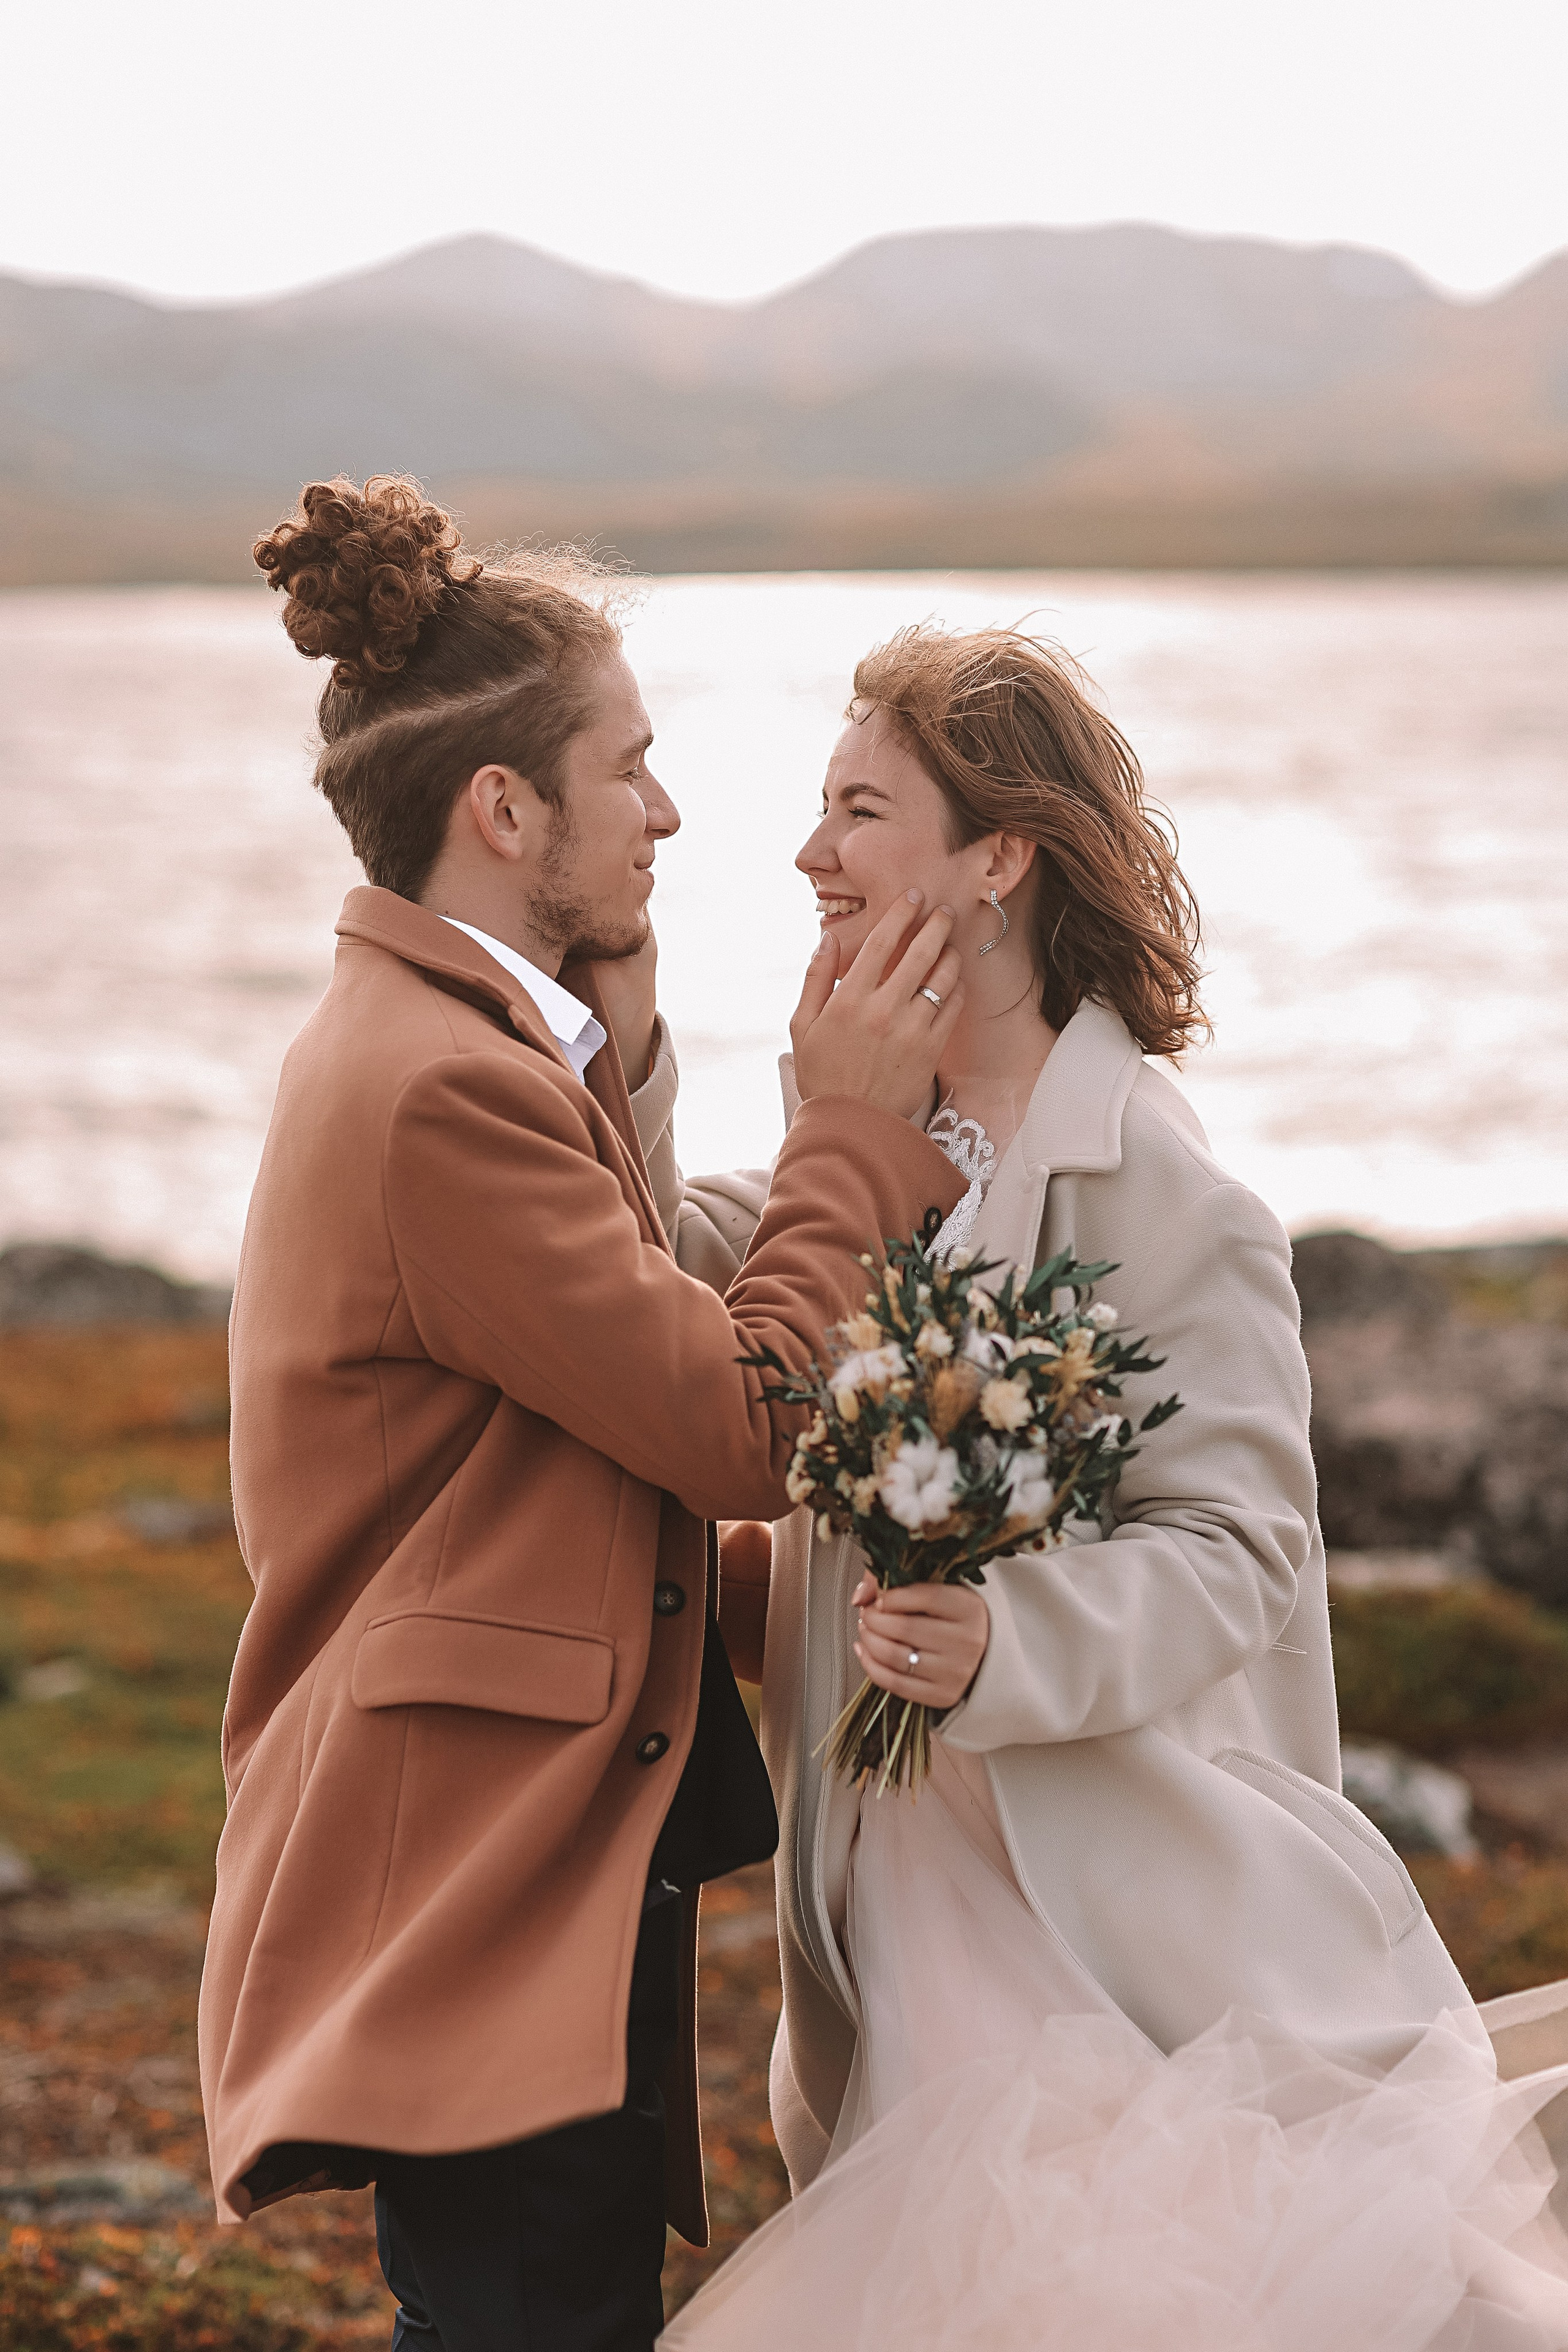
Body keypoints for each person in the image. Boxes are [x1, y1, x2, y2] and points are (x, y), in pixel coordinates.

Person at [639, 624, 1568, 2348]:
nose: (808, 852)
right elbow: (678, 1255)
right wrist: (611, 991)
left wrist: (1013, 1639)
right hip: (895, 1904)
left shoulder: (1164, 1186)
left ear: (999, 858)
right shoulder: (865, 1138)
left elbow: (1245, 1551)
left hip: (1102, 1926)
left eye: (857, 809)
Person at [195, 477, 971, 2352]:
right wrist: (853, 1135)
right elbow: (731, 1417)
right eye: (632, 767)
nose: (673, 812)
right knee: (538, 2319)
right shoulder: (437, 1092)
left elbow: (615, 1321)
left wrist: (624, 1050)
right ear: (506, 809)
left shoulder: (463, 1046)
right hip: (475, 1852)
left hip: (511, 1827)